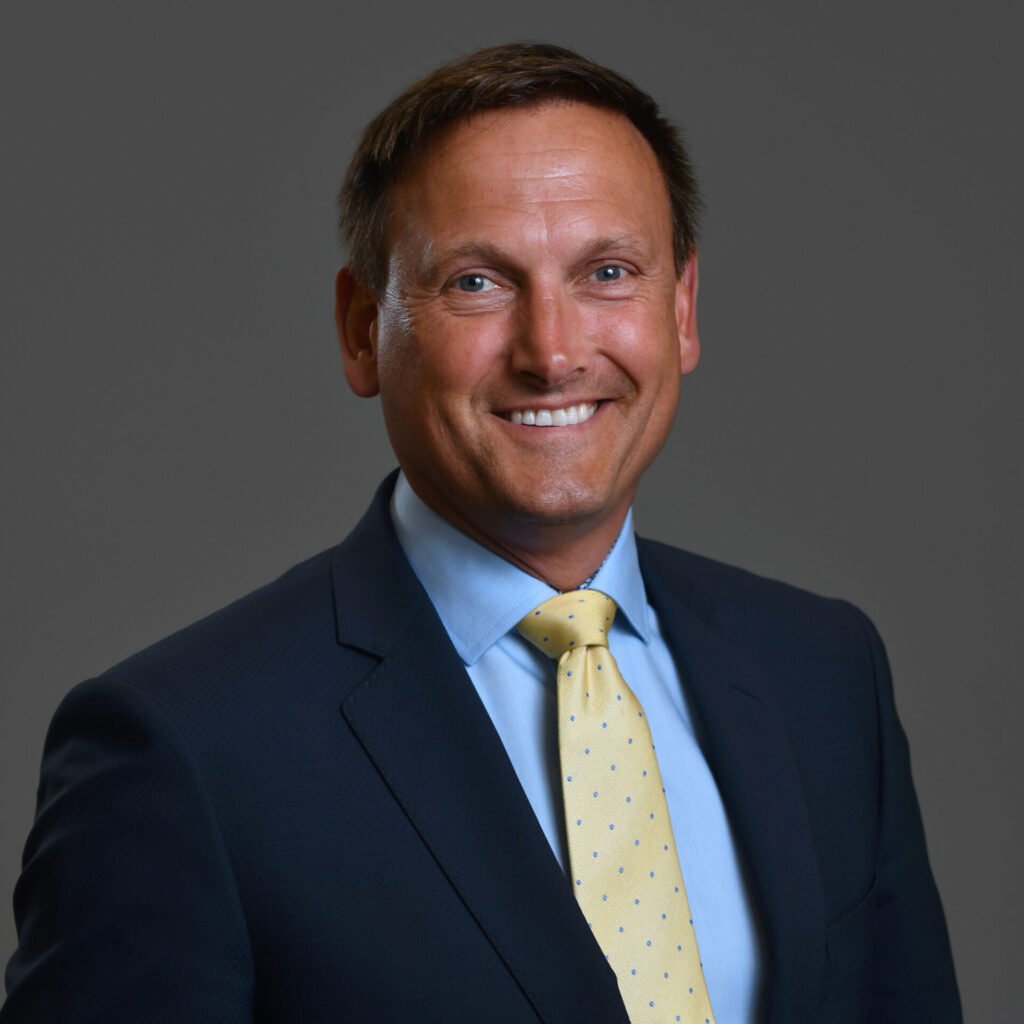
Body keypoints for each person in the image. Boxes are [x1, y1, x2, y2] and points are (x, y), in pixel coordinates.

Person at [1, 43, 960, 1024]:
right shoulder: (186, 749)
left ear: (681, 308)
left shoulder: (823, 672)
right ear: (361, 328)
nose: (552, 351)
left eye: (608, 272)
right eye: (475, 282)